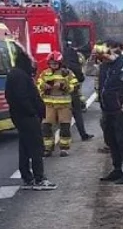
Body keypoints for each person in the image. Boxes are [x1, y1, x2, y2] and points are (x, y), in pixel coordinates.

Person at [5, 50, 56, 190]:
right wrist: (33, 112)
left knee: (25, 148)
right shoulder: (20, 76)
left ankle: (27, 178)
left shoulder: (15, 74)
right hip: (27, 117)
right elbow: (22, 98)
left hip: (20, 117)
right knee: (36, 148)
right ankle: (39, 178)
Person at [98, 40, 123, 185]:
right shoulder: (104, 65)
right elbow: (88, 73)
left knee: (122, 140)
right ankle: (117, 169)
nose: (105, 52)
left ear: (116, 50)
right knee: (111, 140)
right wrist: (92, 59)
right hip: (107, 109)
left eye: (108, 49)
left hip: (121, 109)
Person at [37, 53, 78, 157]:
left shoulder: (67, 73)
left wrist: (64, 86)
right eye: (51, 63)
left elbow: (75, 84)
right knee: (46, 127)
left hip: (64, 105)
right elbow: (38, 84)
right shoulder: (44, 74)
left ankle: (64, 148)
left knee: (65, 127)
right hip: (49, 105)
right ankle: (48, 148)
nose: (53, 65)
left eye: (55, 63)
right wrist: (43, 86)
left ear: (60, 63)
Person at [61, 46, 94, 142]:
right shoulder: (75, 65)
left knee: (64, 117)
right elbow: (81, 78)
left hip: (62, 95)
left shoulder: (62, 65)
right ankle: (83, 134)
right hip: (74, 93)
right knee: (77, 114)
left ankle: (65, 138)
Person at [91, 42, 112, 154]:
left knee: (107, 122)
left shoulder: (110, 66)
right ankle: (110, 144)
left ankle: (111, 145)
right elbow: (88, 71)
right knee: (104, 122)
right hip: (103, 99)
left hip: (112, 100)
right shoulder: (100, 67)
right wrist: (92, 58)